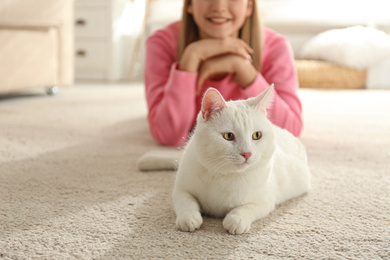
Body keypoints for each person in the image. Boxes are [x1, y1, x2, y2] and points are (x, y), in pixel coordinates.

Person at [144, 0, 302, 147]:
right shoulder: (161, 43)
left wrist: (243, 69)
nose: (219, 7)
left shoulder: (276, 47)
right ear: (190, 4)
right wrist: (192, 56)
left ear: (249, 7)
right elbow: (168, 136)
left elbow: (289, 131)